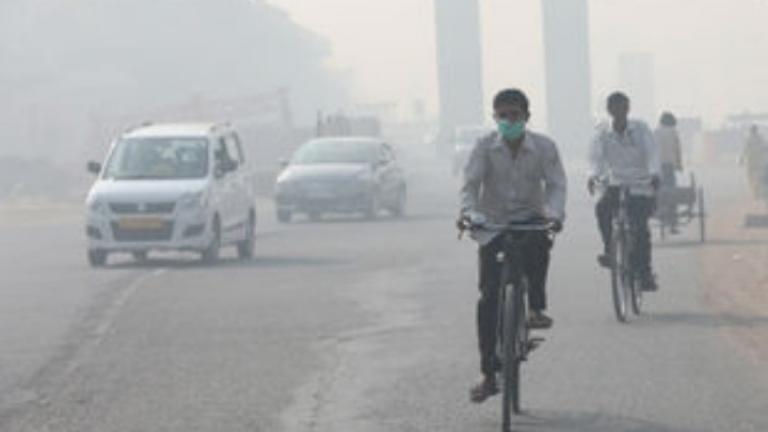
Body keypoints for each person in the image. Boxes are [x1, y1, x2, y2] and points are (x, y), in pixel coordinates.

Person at [459, 88, 567, 403]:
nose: (508, 121)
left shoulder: (544, 147)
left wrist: (554, 214)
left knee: (539, 244)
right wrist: (469, 214)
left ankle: (535, 308)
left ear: (526, 117)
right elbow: (469, 186)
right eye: (502, 116)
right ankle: (488, 374)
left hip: (530, 219)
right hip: (491, 223)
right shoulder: (483, 147)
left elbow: (557, 185)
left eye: (514, 115)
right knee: (489, 298)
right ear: (495, 118)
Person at [588, 92, 660, 291]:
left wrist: (654, 173)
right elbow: (596, 158)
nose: (619, 112)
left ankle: (645, 273)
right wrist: (593, 175)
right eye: (615, 108)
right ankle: (609, 249)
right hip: (615, 182)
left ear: (628, 109)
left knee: (640, 229)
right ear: (609, 110)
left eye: (623, 107)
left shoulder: (641, 129)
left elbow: (652, 153)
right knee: (602, 208)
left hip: (640, 183)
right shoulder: (602, 132)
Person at [654, 112, 683, 233]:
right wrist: (679, 165)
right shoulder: (673, 132)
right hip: (669, 166)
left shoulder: (655, 132)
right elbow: (677, 149)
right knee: (672, 193)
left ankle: (660, 212)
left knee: (659, 191)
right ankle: (673, 223)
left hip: (657, 167)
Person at [740, 125, 767, 199]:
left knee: (751, 178)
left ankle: (755, 192)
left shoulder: (748, 139)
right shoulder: (761, 138)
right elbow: (765, 148)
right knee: (758, 178)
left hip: (751, 162)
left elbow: (745, 150)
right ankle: (757, 192)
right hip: (759, 162)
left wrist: (741, 159)